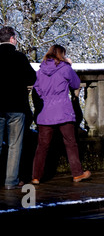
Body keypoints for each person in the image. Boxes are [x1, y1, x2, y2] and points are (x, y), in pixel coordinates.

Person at [0, 26, 37, 190]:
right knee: (14, 145)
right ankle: (11, 181)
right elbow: (32, 78)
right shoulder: (20, 58)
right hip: (16, 106)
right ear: (13, 39)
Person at [31, 45, 91, 184]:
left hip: (45, 112)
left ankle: (36, 176)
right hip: (63, 111)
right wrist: (69, 65)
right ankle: (77, 173)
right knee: (71, 143)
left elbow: (37, 91)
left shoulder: (40, 72)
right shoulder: (65, 68)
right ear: (61, 55)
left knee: (42, 146)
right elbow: (76, 84)